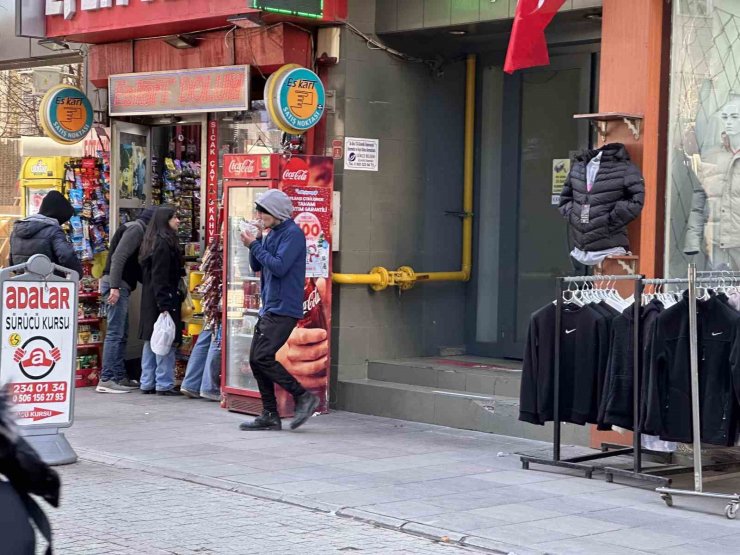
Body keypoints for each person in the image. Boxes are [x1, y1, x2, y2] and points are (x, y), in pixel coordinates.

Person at [239, 189, 319, 431]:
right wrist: (255, 241)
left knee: (261, 357)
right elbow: (257, 265)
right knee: (257, 360)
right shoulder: (271, 233)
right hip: (270, 305)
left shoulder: (293, 234)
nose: (259, 215)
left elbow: (280, 266)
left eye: (262, 211)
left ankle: (303, 396)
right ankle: (270, 413)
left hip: (284, 307)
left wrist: (255, 244)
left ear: (275, 213)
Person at [96, 208, 155, 393]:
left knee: (121, 332)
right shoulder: (135, 229)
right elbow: (118, 257)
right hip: (117, 285)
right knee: (115, 332)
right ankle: (107, 379)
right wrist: (114, 286)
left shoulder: (137, 229)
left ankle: (119, 376)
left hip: (121, 285)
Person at [138, 206, 185, 396]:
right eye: (175, 218)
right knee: (165, 338)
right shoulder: (164, 244)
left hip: (151, 297)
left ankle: (147, 381)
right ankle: (163, 383)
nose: (178, 221)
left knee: (152, 339)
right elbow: (161, 275)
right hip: (163, 298)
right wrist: (165, 304)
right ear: (166, 220)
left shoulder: (151, 241)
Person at [9, 190, 83, 277]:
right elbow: (67, 255)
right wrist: (77, 274)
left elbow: (12, 263)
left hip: (22, 284)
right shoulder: (53, 231)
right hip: (49, 284)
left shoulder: (16, 230)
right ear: (58, 215)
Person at [180, 326, 222, 401]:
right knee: (217, 340)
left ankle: (191, 385)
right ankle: (209, 388)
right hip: (221, 315)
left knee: (206, 337)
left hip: (210, 316)